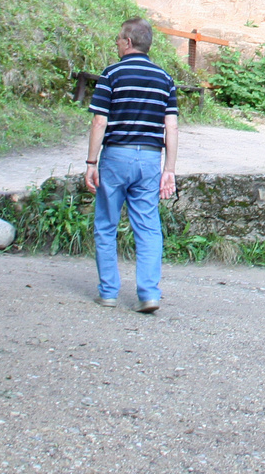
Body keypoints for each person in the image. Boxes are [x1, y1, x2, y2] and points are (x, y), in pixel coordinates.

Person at [84, 18, 178, 312]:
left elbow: (100, 121)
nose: (116, 43)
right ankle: (149, 293)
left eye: (118, 38)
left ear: (127, 42)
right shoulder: (165, 79)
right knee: (148, 227)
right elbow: (171, 128)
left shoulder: (111, 74)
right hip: (150, 158)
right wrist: (169, 170)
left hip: (116, 155)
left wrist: (91, 161)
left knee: (106, 224)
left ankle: (109, 292)